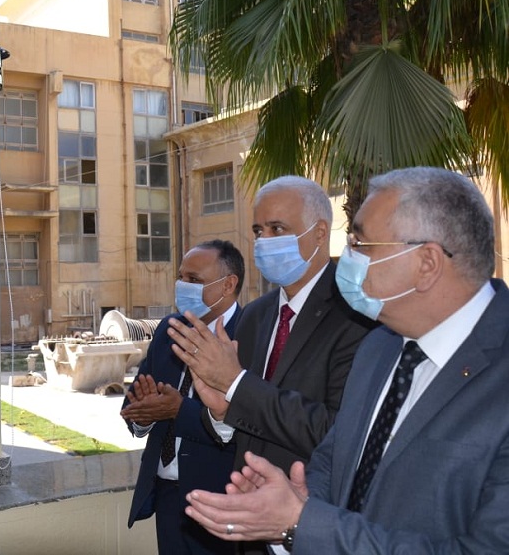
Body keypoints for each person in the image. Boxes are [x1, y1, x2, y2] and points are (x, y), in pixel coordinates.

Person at [183, 166, 509, 553]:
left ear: (427, 263)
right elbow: (334, 460)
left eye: (362, 244)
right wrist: (293, 506)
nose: (349, 256)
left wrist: (302, 524)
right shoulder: (380, 348)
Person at [167, 176, 375, 554]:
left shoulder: (357, 315)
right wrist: (221, 412)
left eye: (277, 229)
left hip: (316, 526)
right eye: (258, 231)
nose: (263, 242)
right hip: (250, 527)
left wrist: (236, 383)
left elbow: (339, 433)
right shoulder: (256, 315)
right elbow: (246, 421)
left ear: (320, 233)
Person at [121, 239, 245, 555]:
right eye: (180, 277)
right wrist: (143, 415)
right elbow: (134, 402)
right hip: (167, 496)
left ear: (228, 284)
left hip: (221, 498)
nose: (182, 286)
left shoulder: (250, 336)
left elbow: (248, 424)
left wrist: (179, 411)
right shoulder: (169, 330)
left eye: (194, 279)